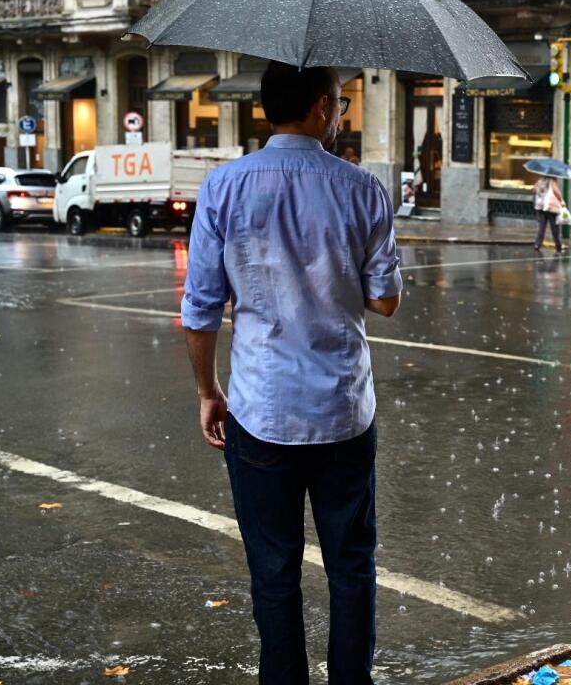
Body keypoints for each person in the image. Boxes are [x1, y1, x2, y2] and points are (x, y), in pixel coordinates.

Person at [181, 61, 401, 685]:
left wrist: (208, 391)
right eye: (339, 102)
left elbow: (199, 310)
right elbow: (384, 301)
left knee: (274, 570)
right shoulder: (364, 190)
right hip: (343, 410)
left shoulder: (224, 187)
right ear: (320, 107)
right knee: (351, 566)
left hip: (261, 410)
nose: (341, 113)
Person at [533, 174, 565, 253]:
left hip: (540, 207)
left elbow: (534, 190)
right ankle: (558, 245)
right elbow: (557, 193)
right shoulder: (552, 181)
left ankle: (537, 244)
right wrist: (562, 201)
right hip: (550, 207)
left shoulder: (539, 181)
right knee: (555, 228)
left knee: (541, 227)